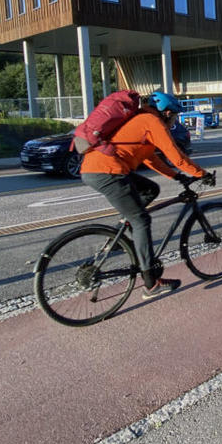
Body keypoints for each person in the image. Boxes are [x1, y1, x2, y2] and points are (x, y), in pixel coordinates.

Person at [81, 91, 209, 299]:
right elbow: (175, 155)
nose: (174, 121)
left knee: (150, 189)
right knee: (141, 220)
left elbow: (150, 158)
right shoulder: (152, 121)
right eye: (175, 116)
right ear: (167, 112)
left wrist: (177, 177)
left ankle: (121, 231)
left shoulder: (141, 119)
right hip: (108, 171)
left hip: (98, 168)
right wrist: (201, 173)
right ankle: (151, 284)